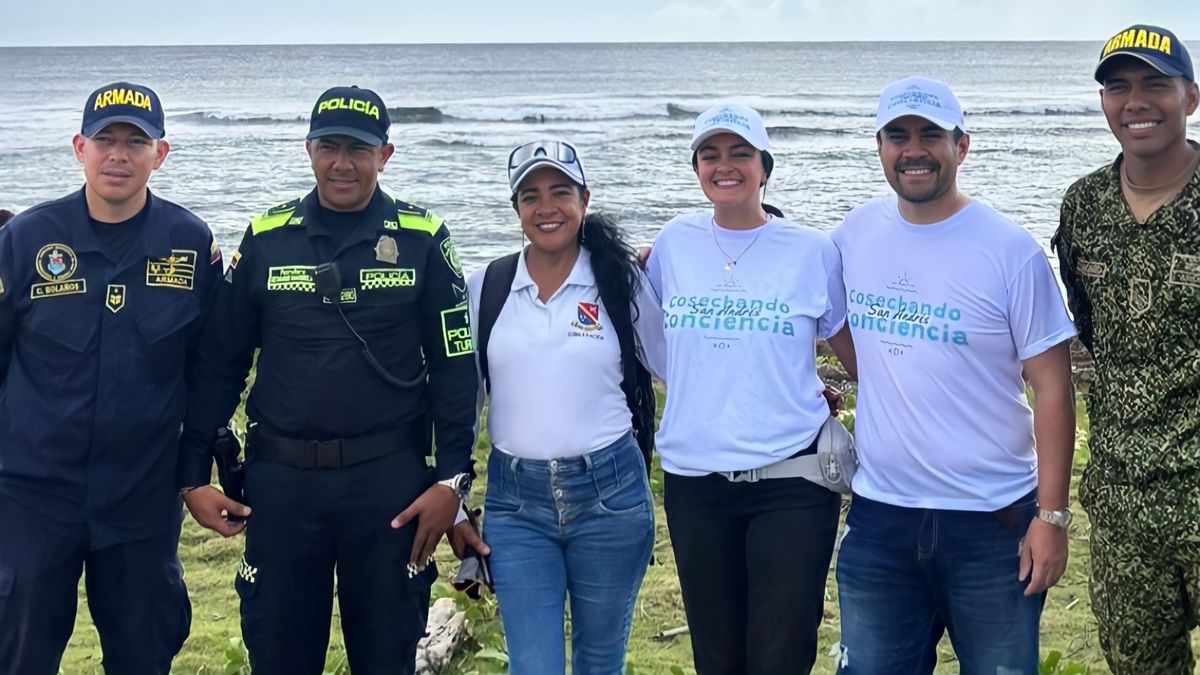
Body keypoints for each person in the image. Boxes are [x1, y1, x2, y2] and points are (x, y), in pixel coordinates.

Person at [177, 86, 478, 674]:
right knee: (279, 655)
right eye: (330, 146)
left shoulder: (423, 237)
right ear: (309, 149)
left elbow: (454, 365)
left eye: (359, 149)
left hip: (389, 488)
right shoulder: (266, 236)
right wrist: (193, 474)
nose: (343, 163)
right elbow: (221, 361)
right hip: (281, 488)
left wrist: (453, 482)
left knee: (388, 655)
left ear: (385, 154)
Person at [831, 76, 1077, 675]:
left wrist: (1051, 517)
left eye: (930, 135)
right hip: (881, 517)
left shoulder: (1008, 250)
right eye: (898, 135)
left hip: (993, 521)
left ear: (961, 146)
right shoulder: (852, 235)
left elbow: (1053, 387)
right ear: (880, 147)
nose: (913, 149)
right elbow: (821, 312)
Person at [0, 82, 220, 674]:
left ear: (161, 153)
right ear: (79, 148)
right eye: (105, 140)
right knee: (18, 649)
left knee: (144, 651)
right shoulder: (24, 241)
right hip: (32, 494)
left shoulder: (191, 244)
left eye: (135, 141)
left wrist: (201, 468)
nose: (118, 154)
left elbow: (207, 371)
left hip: (141, 494)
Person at [642, 103, 856, 675]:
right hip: (696, 482)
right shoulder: (673, 243)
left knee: (781, 652)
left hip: (792, 480)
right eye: (710, 155)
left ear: (764, 166)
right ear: (696, 168)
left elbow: (855, 354)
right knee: (717, 655)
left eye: (740, 153)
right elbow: (652, 341)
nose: (725, 166)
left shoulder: (811, 250)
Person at [450, 139, 660, 674]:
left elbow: (677, 369)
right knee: (533, 665)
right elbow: (461, 405)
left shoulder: (621, 281)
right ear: (516, 208)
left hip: (611, 498)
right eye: (530, 195)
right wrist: (455, 502)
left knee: (599, 661)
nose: (547, 208)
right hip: (516, 508)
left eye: (560, 191)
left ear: (584, 200)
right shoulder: (487, 287)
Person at [1052, 25, 1200, 675]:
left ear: (1189, 97)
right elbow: (1090, 325)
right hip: (1120, 505)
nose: (1135, 100)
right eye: (1118, 87)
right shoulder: (1083, 205)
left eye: (1154, 85)